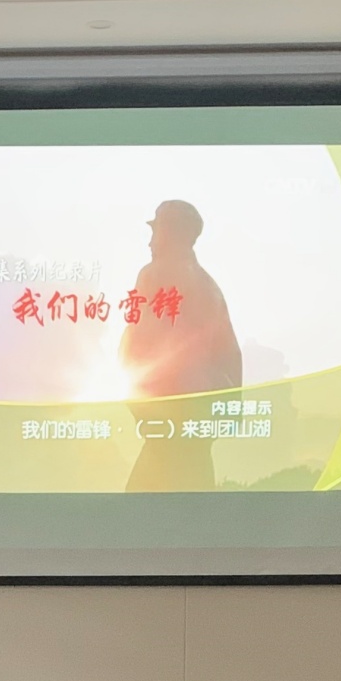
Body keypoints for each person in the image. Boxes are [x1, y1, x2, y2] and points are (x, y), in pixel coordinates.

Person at [119, 199, 242, 491]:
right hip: (199, 422)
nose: (150, 243)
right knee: (195, 501)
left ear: (170, 233)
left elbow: (137, 344)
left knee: (142, 504)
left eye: (155, 232)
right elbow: (231, 356)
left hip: (166, 419)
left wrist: (138, 403)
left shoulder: (153, 275)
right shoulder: (210, 287)